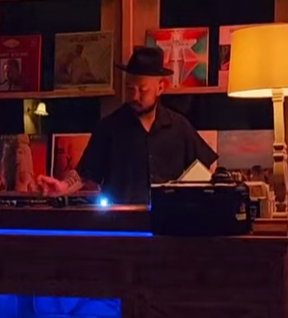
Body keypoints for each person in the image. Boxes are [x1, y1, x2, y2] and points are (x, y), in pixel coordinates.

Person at [37, 46, 218, 204]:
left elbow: (207, 165)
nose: (134, 96)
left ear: (160, 87)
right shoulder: (109, 127)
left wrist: (185, 199)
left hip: (167, 224)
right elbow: (84, 173)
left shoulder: (178, 126)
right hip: (121, 222)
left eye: (142, 90)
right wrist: (61, 187)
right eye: (130, 88)